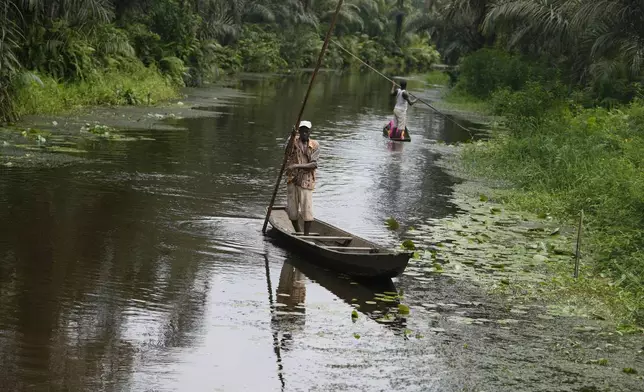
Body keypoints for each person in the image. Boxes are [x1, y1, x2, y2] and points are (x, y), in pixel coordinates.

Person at [285, 121, 320, 236]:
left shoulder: (314, 145)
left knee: (307, 210)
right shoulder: (293, 141)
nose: (304, 133)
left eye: (307, 131)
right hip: (292, 179)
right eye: (302, 131)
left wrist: (296, 166)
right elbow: (287, 153)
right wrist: (292, 137)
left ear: (310, 132)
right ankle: (298, 232)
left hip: (306, 181)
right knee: (292, 211)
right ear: (299, 132)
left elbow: (313, 164)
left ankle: (306, 236)